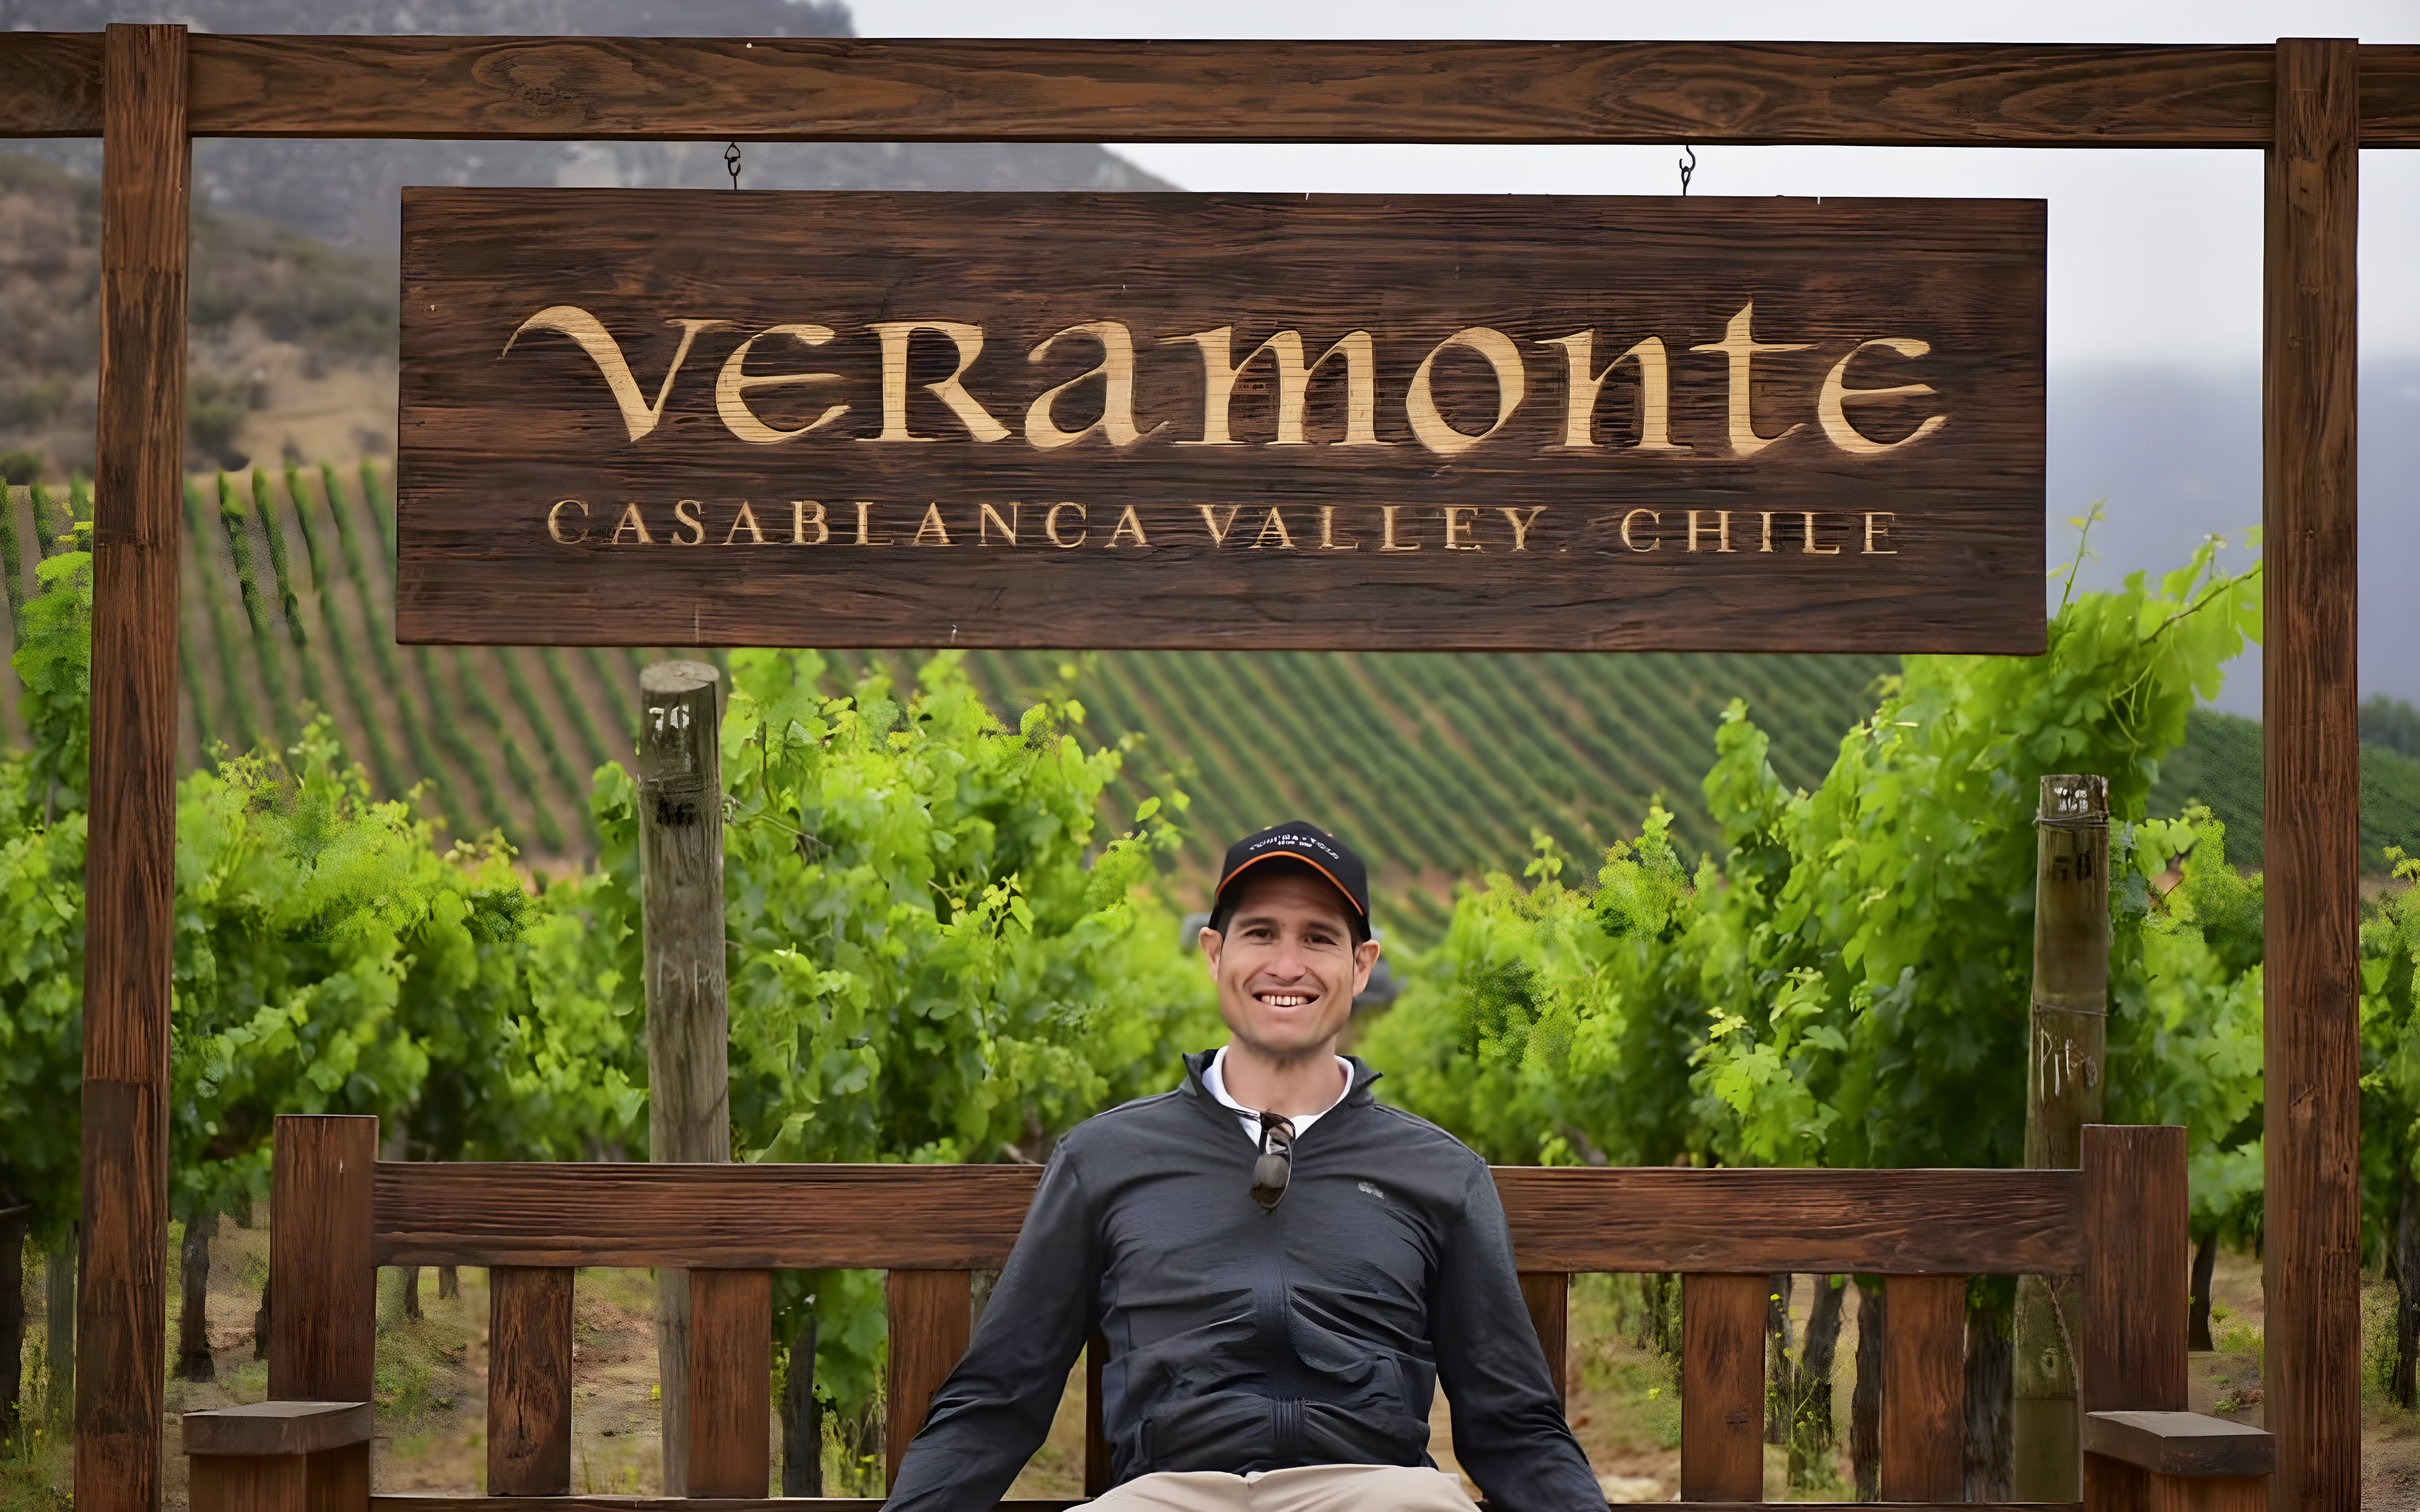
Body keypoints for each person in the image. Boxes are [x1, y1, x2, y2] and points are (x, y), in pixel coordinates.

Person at [882, 821, 1601, 1512]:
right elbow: (1000, 1396)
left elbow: (1512, 1423)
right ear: (1214, 953)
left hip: (1373, 1493)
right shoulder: (1105, 1159)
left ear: (1361, 966)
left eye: (1318, 938)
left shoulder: (1439, 1174)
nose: (1286, 965)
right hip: (1168, 1497)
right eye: (1260, 933)